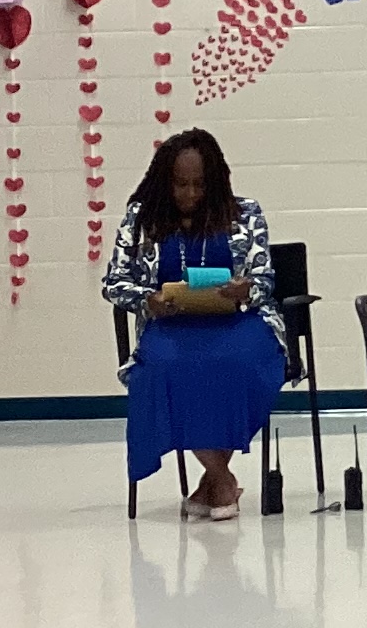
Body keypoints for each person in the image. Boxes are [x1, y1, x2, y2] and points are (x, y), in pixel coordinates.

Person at [103, 129, 287, 521]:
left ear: (215, 182)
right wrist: (147, 299)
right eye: (180, 185)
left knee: (239, 364)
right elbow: (115, 282)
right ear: (164, 182)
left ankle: (211, 482)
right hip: (171, 327)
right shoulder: (141, 218)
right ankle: (221, 478)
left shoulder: (245, 214)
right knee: (168, 369)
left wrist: (245, 289)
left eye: (199, 185)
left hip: (239, 324)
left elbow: (265, 279)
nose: (189, 195)